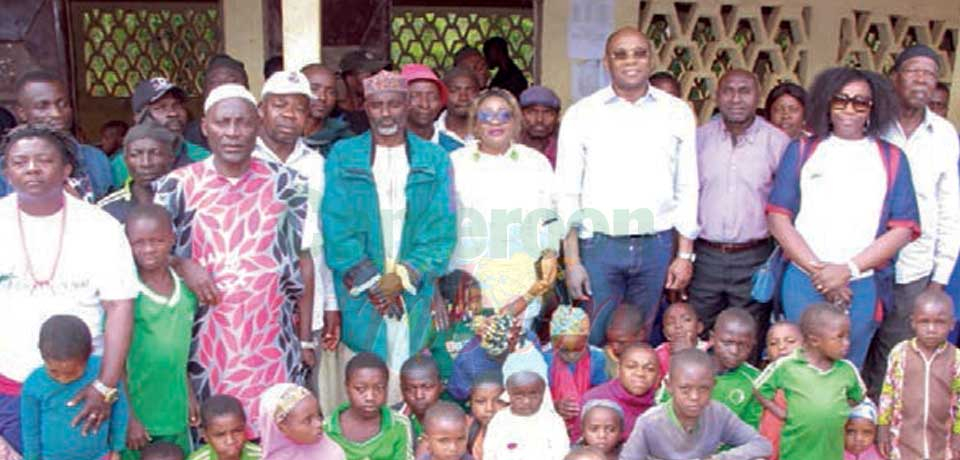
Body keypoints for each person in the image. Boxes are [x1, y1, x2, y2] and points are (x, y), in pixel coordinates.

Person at [154, 84, 315, 435]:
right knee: (217, 435)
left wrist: (305, 339)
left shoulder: (289, 184)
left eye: (242, 122)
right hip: (205, 339)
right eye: (222, 122)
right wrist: (183, 264)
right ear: (206, 127)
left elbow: (303, 260)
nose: (232, 132)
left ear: (257, 124)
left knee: (275, 433)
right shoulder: (176, 186)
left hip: (272, 337)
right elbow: (148, 255)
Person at [766, 66, 920, 367]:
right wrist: (821, 273)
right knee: (798, 367)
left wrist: (847, 270)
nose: (850, 109)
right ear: (826, 102)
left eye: (860, 102)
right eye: (841, 100)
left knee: (846, 368)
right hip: (803, 279)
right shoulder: (802, 150)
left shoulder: (891, 158)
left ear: (872, 109)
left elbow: (903, 228)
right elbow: (777, 217)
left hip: (860, 285)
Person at [0, 125, 137, 455]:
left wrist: (105, 386)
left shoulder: (100, 227)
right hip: (10, 387)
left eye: (43, 160)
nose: (32, 168)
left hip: (84, 388)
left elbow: (120, 308)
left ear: (66, 169)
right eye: (20, 161)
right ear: (6, 170)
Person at [558, 27, 699, 345]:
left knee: (641, 341)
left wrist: (684, 255)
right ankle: (594, 396)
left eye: (639, 53)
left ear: (650, 59)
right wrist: (572, 261)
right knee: (592, 337)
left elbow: (688, 186)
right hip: (599, 247)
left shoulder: (676, 112)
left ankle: (636, 398)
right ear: (606, 63)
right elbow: (567, 192)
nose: (630, 61)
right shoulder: (582, 114)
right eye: (620, 54)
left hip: (657, 246)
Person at [322, 70, 456, 403]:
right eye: (377, 105)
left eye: (394, 104)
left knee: (412, 379)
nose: (386, 113)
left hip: (414, 289)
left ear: (407, 105)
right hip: (361, 294)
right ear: (364, 107)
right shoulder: (344, 155)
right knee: (365, 380)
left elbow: (440, 228)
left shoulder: (434, 159)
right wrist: (375, 284)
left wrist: (403, 276)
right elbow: (337, 226)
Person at [866, 44, 960, 395]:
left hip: (915, 270)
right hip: (865, 264)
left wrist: (939, 278)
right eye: (913, 70)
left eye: (930, 73)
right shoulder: (873, 126)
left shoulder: (945, 135)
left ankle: (873, 435)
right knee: (849, 345)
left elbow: (950, 209)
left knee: (893, 359)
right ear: (895, 78)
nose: (922, 80)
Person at [448, 88, 559, 332]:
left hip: (521, 278)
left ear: (516, 122)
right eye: (486, 115)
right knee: (471, 356)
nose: (495, 121)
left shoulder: (535, 163)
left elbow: (550, 218)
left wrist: (550, 255)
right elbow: (443, 223)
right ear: (475, 124)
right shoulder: (456, 162)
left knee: (516, 353)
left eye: (504, 115)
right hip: (470, 279)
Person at [691, 69, 790, 342]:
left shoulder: (778, 142)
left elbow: (789, 203)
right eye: (728, 91)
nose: (736, 98)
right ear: (717, 96)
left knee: (746, 335)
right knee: (699, 330)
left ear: (757, 96)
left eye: (744, 91)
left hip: (754, 256)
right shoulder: (699, 140)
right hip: (705, 256)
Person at [252, 69, 338, 366]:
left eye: (299, 108)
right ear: (261, 110)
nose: (290, 114)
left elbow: (322, 240)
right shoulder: (243, 161)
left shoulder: (317, 165)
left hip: (307, 306)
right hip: (251, 306)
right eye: (279, 105)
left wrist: (330, 303)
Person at [120, 204, 199, 460]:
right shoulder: (127, 293)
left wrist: (189, 394)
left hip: (175, 412)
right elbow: (117, 360)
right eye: (138, 243)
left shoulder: (186, 289)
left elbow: (179, 353)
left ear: (172, 239)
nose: (148, 249)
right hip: (139, 418)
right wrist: (129, 416)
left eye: (157, 240)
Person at [755, 303, 866, 460]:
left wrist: (835, 409)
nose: (846, 343)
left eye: (848, 336)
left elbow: (858, 395)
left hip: (830, 453)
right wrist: (781, 413)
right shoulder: (787, 365)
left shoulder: (846, 369)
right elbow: (759, 390)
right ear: (815, 341)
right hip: (795, 453)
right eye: (839, 337)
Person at [620, 349, 771, 459]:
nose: (694, 397)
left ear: (713, 385)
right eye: (685, 389)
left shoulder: (718, 413)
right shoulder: (650, 422)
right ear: (669, 386)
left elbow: (762, 445)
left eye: (704, 388)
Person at [21, 315, 129, 460]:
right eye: (54, 371)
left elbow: (120, 409)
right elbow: (30, 429)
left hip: (99, 456)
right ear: (41, 354)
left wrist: (117, 448)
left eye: (72, 373)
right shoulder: (33, 384)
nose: (63, 378)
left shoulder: (103, 373)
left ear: (90, 352)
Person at [877, 289, 960, 459]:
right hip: (902, 439)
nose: (931, 329)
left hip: (941, 441)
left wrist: (957, 436)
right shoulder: (900, 353)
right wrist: (882, 429)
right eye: (924, 322)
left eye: (940, 322)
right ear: (913, 322)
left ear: (952, 324)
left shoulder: (956, 359)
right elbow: (887, 395)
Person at [6, 70, 113, 201]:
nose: (56, 113)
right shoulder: (5, 167)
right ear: (21, 112)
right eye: (42, 106)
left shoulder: (95, 159)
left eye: (63, 104)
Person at [111, 77, 210, 187]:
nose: (173, 113)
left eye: (177, 105)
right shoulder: (122, 163)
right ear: (139, 117)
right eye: (160, 107)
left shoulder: (202, 157)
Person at [324, 353, 415, 460]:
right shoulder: (327, 430)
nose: (370, 397)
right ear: (347, 387)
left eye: (379, 388)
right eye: (361, 389)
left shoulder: (399, 425)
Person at [543, 306, 607, 439]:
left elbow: (602, 393)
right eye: (564, 350)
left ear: (586, 341)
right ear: (554, 344)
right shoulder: (545, 360)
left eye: (578, 349)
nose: (571, 356)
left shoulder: (597, 358)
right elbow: (539, 396)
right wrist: (555, 405)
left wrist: (586, 405)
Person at [99, 121, 178, 223]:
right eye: (135, 154)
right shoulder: (106, 210)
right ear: (125, 160)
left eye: (155, 153)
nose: (146, 163)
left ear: (171, 157)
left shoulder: (190, 201)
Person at [482, 371, 569, 460]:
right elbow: (490, 453)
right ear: (508, 394)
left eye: (533, 395)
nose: (526, 401)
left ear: (543, 394)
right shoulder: (499, 420)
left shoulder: (553, 420)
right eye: (519, 396)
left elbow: (561, 453)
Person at [582, 343, 658, 442]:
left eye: (650, 369)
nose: (640, 373)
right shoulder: (594, 400)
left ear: (658, 375)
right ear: (618, 369)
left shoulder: (660, 406)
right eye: (631, 367)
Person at [258, 383, 345, 460]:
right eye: (308, 420)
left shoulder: (331, 452)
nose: (319, 423)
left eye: (318, 415)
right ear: (282, 428)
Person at [757, 321, 804, 460]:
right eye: (773, 343)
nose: (782, 347)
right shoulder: (762, 383)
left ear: (805, 346)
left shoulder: (815, 381)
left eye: (790, 341)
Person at [184, 54, 249, 149]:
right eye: (214, 82)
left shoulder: (262, 132)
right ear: (204, 91)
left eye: (232, 81)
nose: (223, 88)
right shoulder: (188, 138)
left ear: (246, 88)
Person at [401, 64, 459, 152]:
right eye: (415, 96)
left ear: (440, 102)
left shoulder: (455, 150)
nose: (425, 104)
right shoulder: (385, 148)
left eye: (432, 97)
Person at [300, 64, 355, 156]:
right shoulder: (279, 134)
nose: (322, 97)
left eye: (331, 92)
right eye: (314, 89)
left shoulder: (346, 141)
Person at [187, 395, 262, 460]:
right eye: (220, 435)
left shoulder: (262, 456)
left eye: (237, 431)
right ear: (205, 436)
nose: (230, 441)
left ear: (245, 428)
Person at [393, 354, 443, 442]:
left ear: (441, 386)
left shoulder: (454, 418)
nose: (419, 395)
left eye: (427, 387)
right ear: (401, 389)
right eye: (410, 389)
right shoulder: (390, 420)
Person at [338, 49, 390, 134]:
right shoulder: (333, 112)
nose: (377, 78)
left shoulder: (384, 111)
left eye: (377, 73)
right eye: (372, 73)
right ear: (349, 78)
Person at [654, 302, 707, 376]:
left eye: (686, 320)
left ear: (699, 327)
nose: (678, 325)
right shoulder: (657, 355)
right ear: (665, 333)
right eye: (671, 322)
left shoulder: (709, 351)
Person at [518, 86, 561, 168]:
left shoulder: (566, 146)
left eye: (547, 113)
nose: (539, 119)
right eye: (531, 112)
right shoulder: (509, 145)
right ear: (520, 114)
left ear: (557, 116)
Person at [436, 67, 480, 148]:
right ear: (443, 95)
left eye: (470, 90)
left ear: (479, 94)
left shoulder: (491, 132)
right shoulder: (431, 135)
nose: (463, 98)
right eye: (454, 90)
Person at [465, 372, 504, 460]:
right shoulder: (464, 428)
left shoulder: (520, 431)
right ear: (471, 403)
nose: (489, 408)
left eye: (499, 401)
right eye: (480, 401)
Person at [601, 304, 646, 379]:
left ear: (640, 335)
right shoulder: (601, 359)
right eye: (610, 341)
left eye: (621, 342)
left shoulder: (650, 361)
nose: (614, 347)